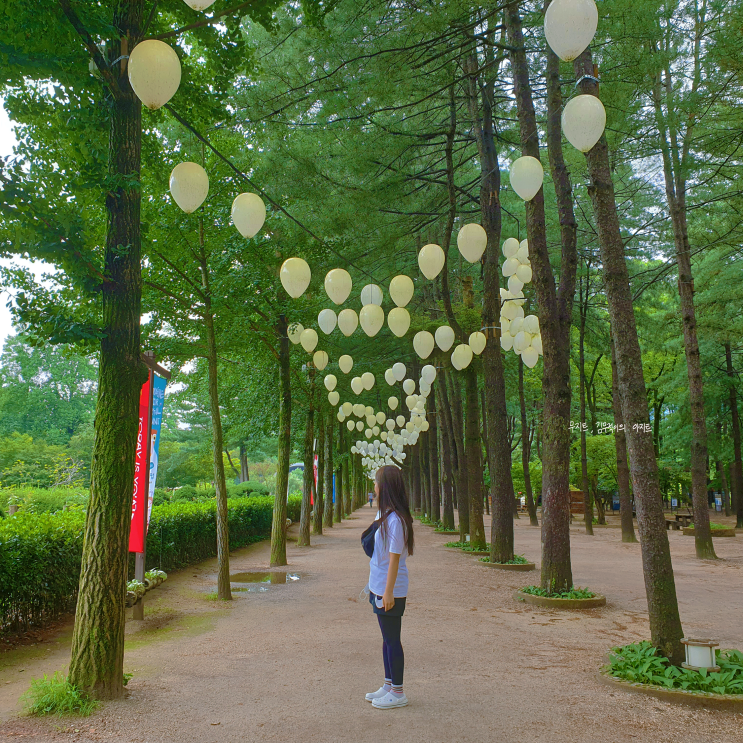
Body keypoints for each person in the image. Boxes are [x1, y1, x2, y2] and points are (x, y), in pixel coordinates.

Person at [365, 465, 414, 709]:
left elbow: (394, 559)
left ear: (385, 487)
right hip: (379, 585)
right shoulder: (384, 514)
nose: (373, 487)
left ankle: (398, 692)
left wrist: (388, 592)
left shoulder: (396, 521)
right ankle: (388, 684)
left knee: (393, 639)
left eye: (376, 483)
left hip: (390, 588)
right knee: (386, 639)